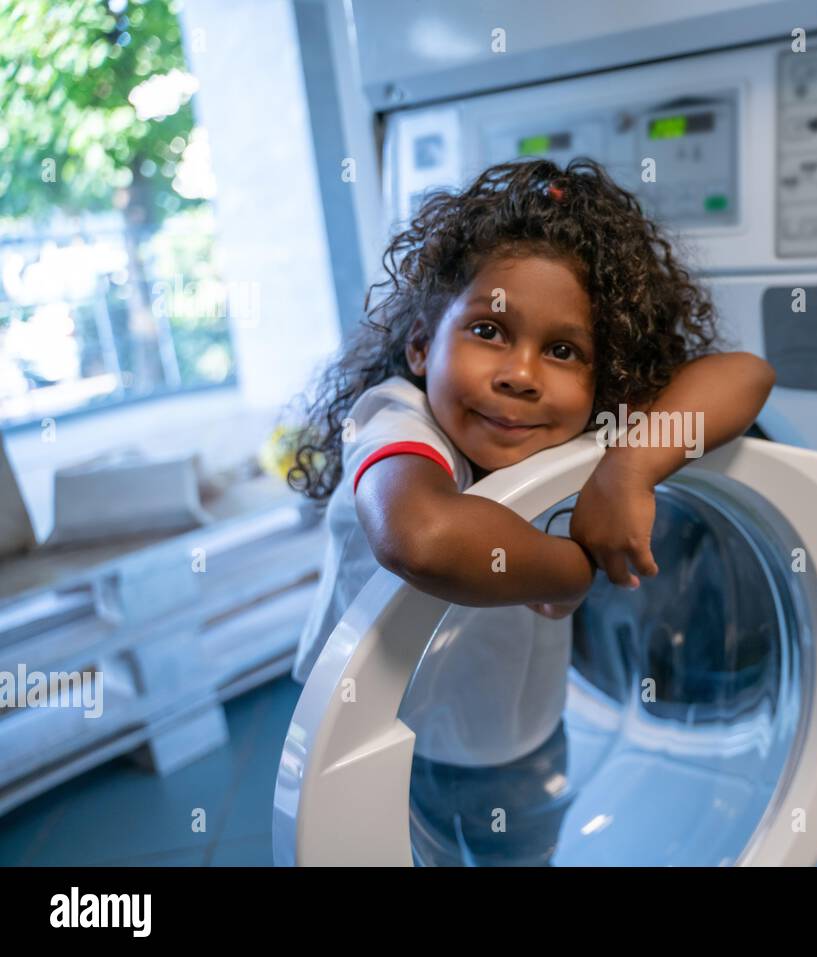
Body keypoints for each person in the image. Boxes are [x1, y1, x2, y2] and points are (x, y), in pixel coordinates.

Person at [283, 156, 776, 864]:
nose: (520, 374)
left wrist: (632, 463)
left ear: (606, 378)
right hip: (368, 734)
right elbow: (421, 536)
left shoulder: (584, 430)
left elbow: (748, 375)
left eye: (564, 349)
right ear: (422, 344)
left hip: (519, 738)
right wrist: (568, 572)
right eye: (488, 330)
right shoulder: (397, 420)